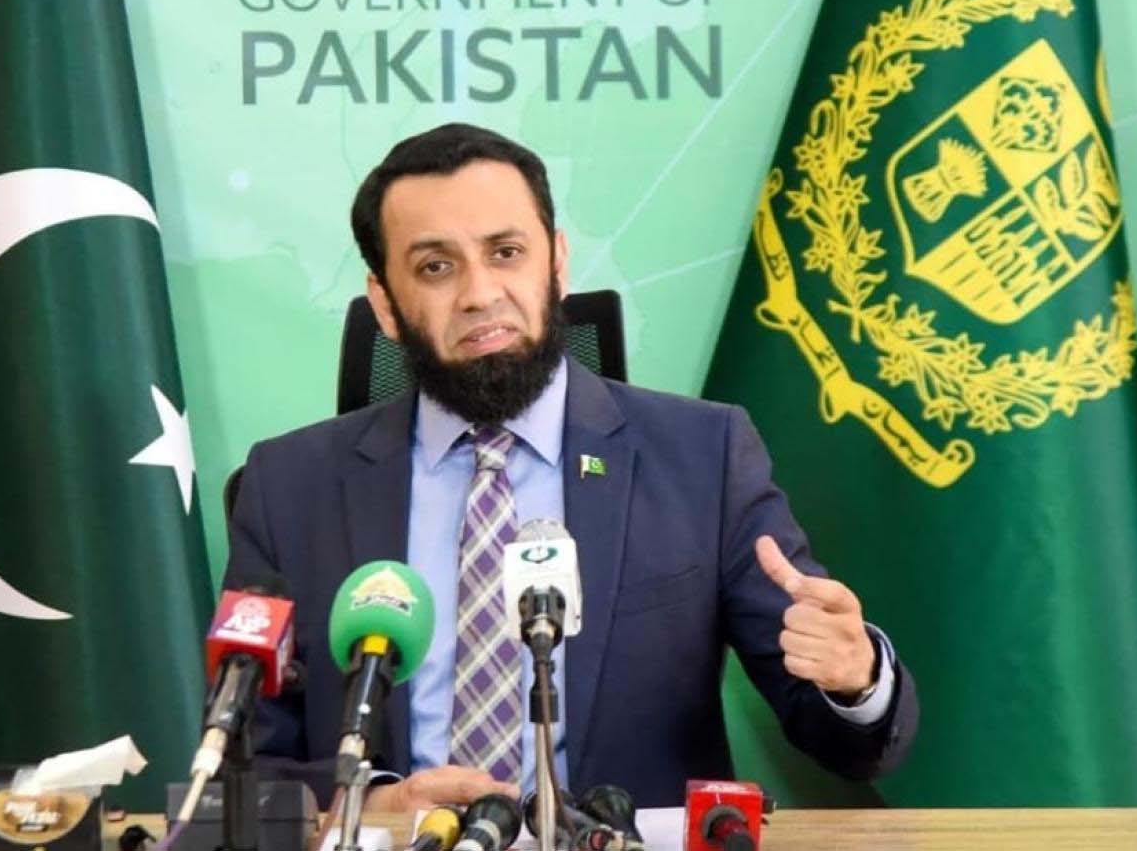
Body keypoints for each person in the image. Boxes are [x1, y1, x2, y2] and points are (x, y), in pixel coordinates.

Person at [224, 123, 918, 812]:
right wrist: (366, 804)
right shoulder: (287, 487)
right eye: (436, 266)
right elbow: (236, 763)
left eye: (506, 252)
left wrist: (854, 680)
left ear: (557, 263)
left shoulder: (704, 458)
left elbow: (847, 743)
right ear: (385, 303)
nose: (479, 293)